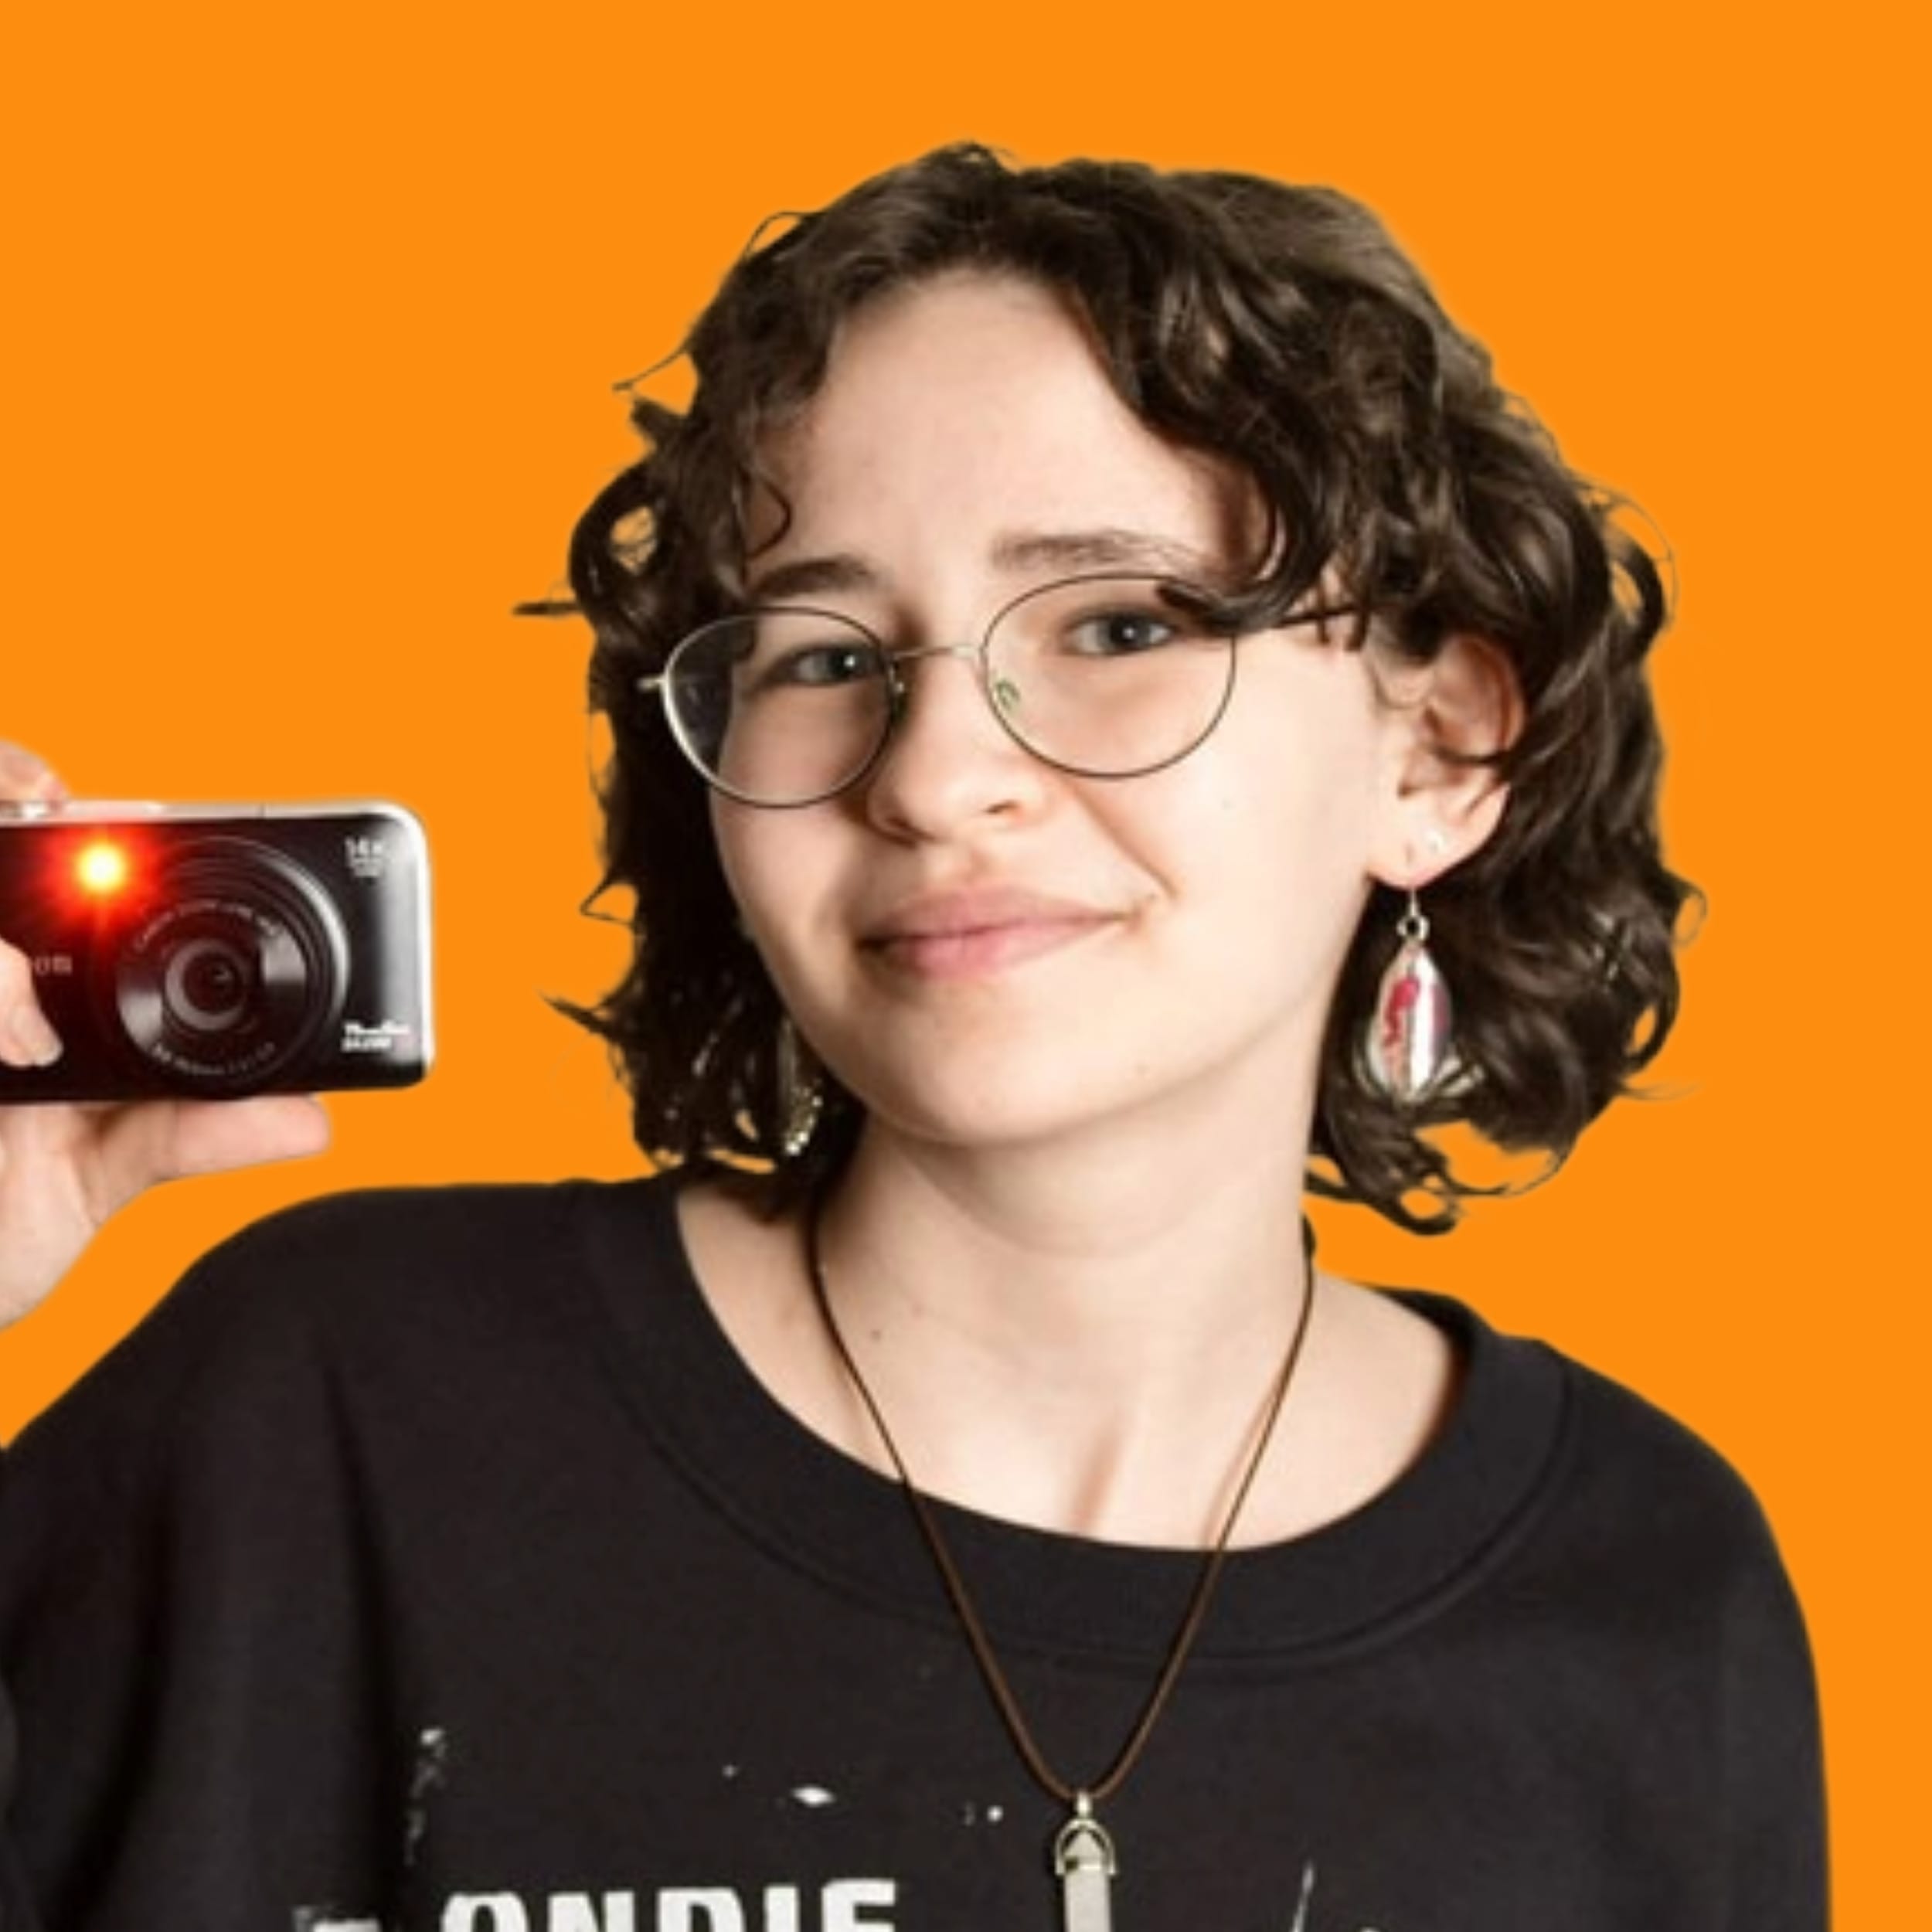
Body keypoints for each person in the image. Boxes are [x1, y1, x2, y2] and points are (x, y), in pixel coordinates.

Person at [0, 145, 1824, 1930]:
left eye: (1121, 620)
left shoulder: (1651, 1587)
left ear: (1433, 755)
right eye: (816, 654)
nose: (938, 775)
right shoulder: (322, 1407)